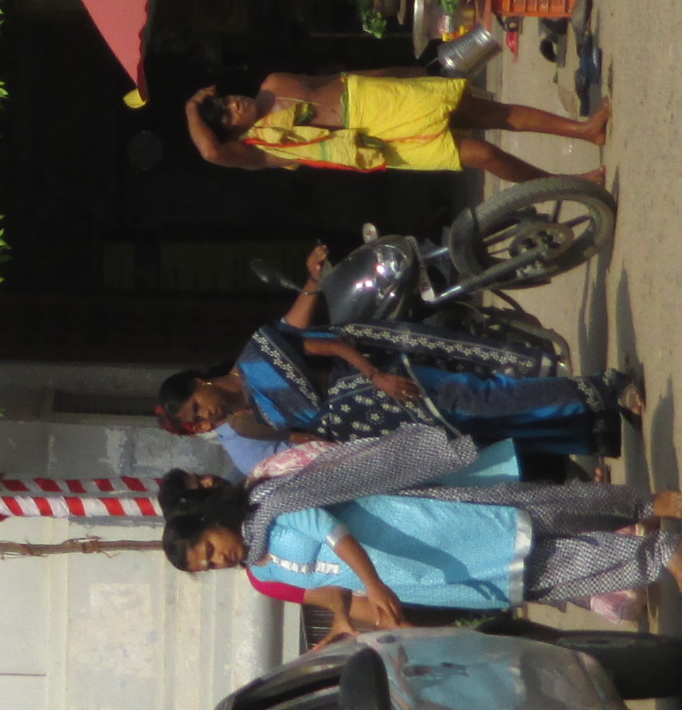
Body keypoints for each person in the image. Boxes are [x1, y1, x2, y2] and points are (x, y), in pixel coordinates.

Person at [161, 413, 682, 619]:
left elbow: (333, 531)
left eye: (207, 551)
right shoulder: (261, 571)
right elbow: (330, 592)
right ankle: (658, 553)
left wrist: (374, 584)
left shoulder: (269, 508)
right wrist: (356, 618)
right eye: (207, 568)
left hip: (430, 523)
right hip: (429, 577)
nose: (216, 561)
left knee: (542, 509)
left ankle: (644, 506)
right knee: (549, 574)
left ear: (211, 522)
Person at [154, 242, 634, 455]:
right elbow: (305, 438)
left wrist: (375, 376)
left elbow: (321, 341)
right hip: (393, 427)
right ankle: (595, 423)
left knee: (490, 397)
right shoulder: (251, 425)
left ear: (200, 382)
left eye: (196, 408)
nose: (205, 420)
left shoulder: (256, 359)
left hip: (390, 382)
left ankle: (606, 388)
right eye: (197, 423)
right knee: (490, 428)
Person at [186, 70, 607, 182]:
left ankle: (584, 130)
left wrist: (399, 73)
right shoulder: (260, 149)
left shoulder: (272, 84)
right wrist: (192, 106)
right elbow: (210, 153)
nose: (232, 105)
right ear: (231, 131)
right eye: (224, 115)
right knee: (482, 154)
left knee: (483, 113)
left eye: (224, 101)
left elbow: (338, 76)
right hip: (373, 144)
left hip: (378, 98)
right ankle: (567, 183)